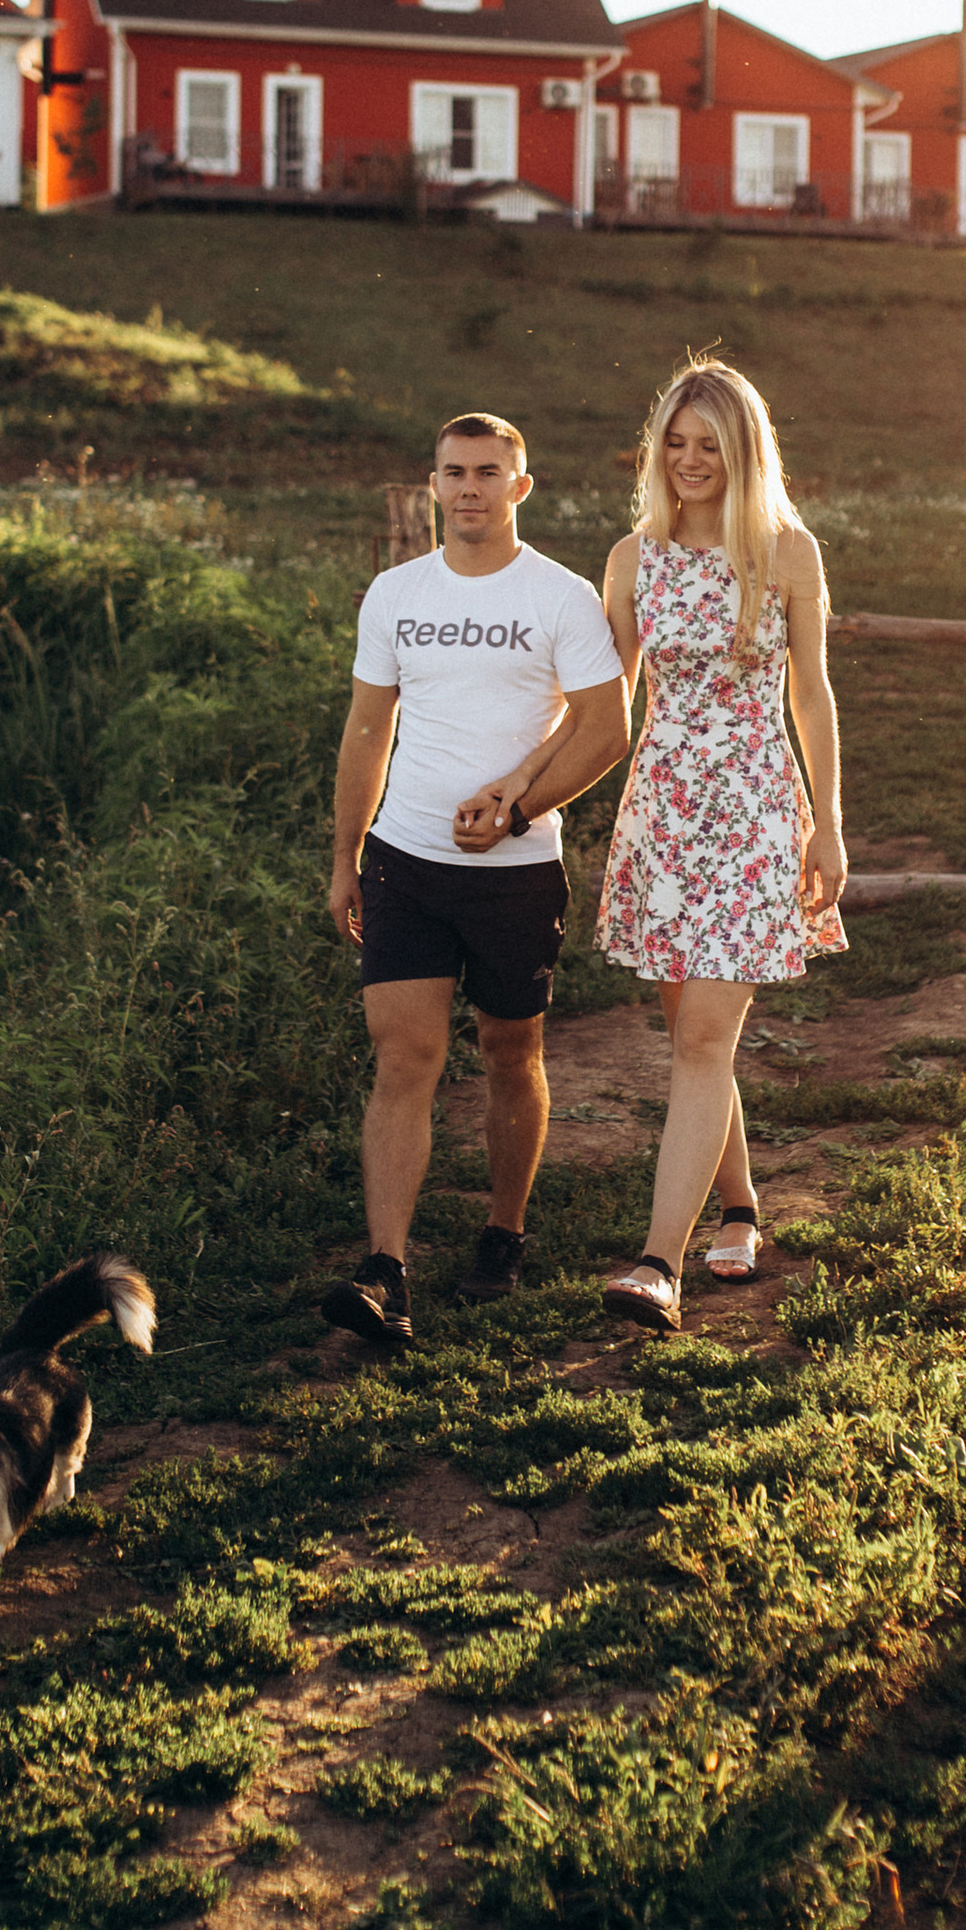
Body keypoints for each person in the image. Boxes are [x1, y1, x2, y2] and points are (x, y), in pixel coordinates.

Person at [320, 412, 630, 1352]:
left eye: (488, 472)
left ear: (519, 487)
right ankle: (387, 1271)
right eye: (453, 472)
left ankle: (504, 1231)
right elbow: (368, 732)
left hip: (515, 873)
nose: (469, 489)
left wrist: (521, 807)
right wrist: (346, 855)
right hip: (405, 861)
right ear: (433, 484)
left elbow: (605, 731)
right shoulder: (395, 593)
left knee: (508, 1053)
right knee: (403, 1059)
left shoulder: (563, 597)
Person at [565, 359, 848, 1335]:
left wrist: (830, 821)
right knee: (691, 1027)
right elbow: (602, 707)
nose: (689, 462)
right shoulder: (631, 559)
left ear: (743, 450)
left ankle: (656, 1263)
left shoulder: (786, 554)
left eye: (708, 446)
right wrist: (520, 789)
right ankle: (739, 1206)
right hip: (663, 813)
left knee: (700, 1039)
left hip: (757, 810)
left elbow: (810, 692)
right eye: (674, 445)